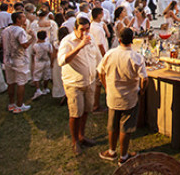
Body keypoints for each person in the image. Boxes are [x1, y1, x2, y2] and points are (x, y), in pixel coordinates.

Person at [97, 27, 148, 166]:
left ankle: (112, 151)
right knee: (125, 127)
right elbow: (144, 78)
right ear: (132, 40)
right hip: (129, 96)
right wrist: (142, 90)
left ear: (119, 40)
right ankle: (123, 156)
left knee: (112, 125)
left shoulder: (110, 54)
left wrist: (106, 86)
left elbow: (100, 72)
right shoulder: (136, 57)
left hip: (113, 94)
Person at [58, 17, 102, 155]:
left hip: (89, 81)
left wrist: (101, 70)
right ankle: (74, 141)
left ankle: (82, 136)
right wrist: (80, 45)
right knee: (75, 113)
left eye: (87, 29)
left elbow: (97, 56)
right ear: (75, 29)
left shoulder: (91, 38)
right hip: (74, 83)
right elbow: (62, 61)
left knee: (86, 110)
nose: (85, 32)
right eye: (82, 30)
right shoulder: (67, 41)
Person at [3, 11, 35, 114]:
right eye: (23, 17)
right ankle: (19, 105)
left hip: (8, 59)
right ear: (18, 19)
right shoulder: (20, 31)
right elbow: (24, 45)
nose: (25, 19)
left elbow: (0, 43)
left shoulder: (5, 30)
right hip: (19, 59)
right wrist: (33, 38)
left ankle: (11, 104)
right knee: (21, 82)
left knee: (11, 82)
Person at [31, 30, 53, 100]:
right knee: (47, 75)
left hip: (38, 61)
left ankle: (38, 89)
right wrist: (51, 62)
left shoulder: (35, 45)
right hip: (47, 61)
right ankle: (45, 88)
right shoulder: (48, 44)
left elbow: (33, 53)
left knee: (36, 76)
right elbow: (51, 53)